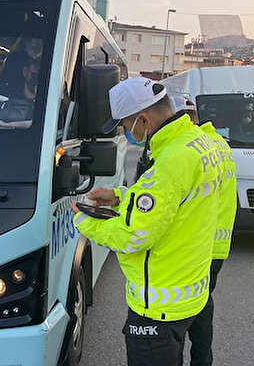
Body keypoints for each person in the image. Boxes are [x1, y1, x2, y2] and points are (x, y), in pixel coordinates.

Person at [69, 77, 224, 366]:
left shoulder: (170, 162)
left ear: (142, 119)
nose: (127, 133)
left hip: (158, 307)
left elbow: (133, 235)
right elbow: (173, 201)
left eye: (125, 127)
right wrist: (120, 196)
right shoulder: (197, 143)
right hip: (188, 294)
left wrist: (84, 221)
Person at [173, 96, 238, 366]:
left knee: (180, 316)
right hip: (217, 245)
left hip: (197, 244)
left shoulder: (190, 150)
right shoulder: (219, 144)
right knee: (203, 307)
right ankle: (202, 360)